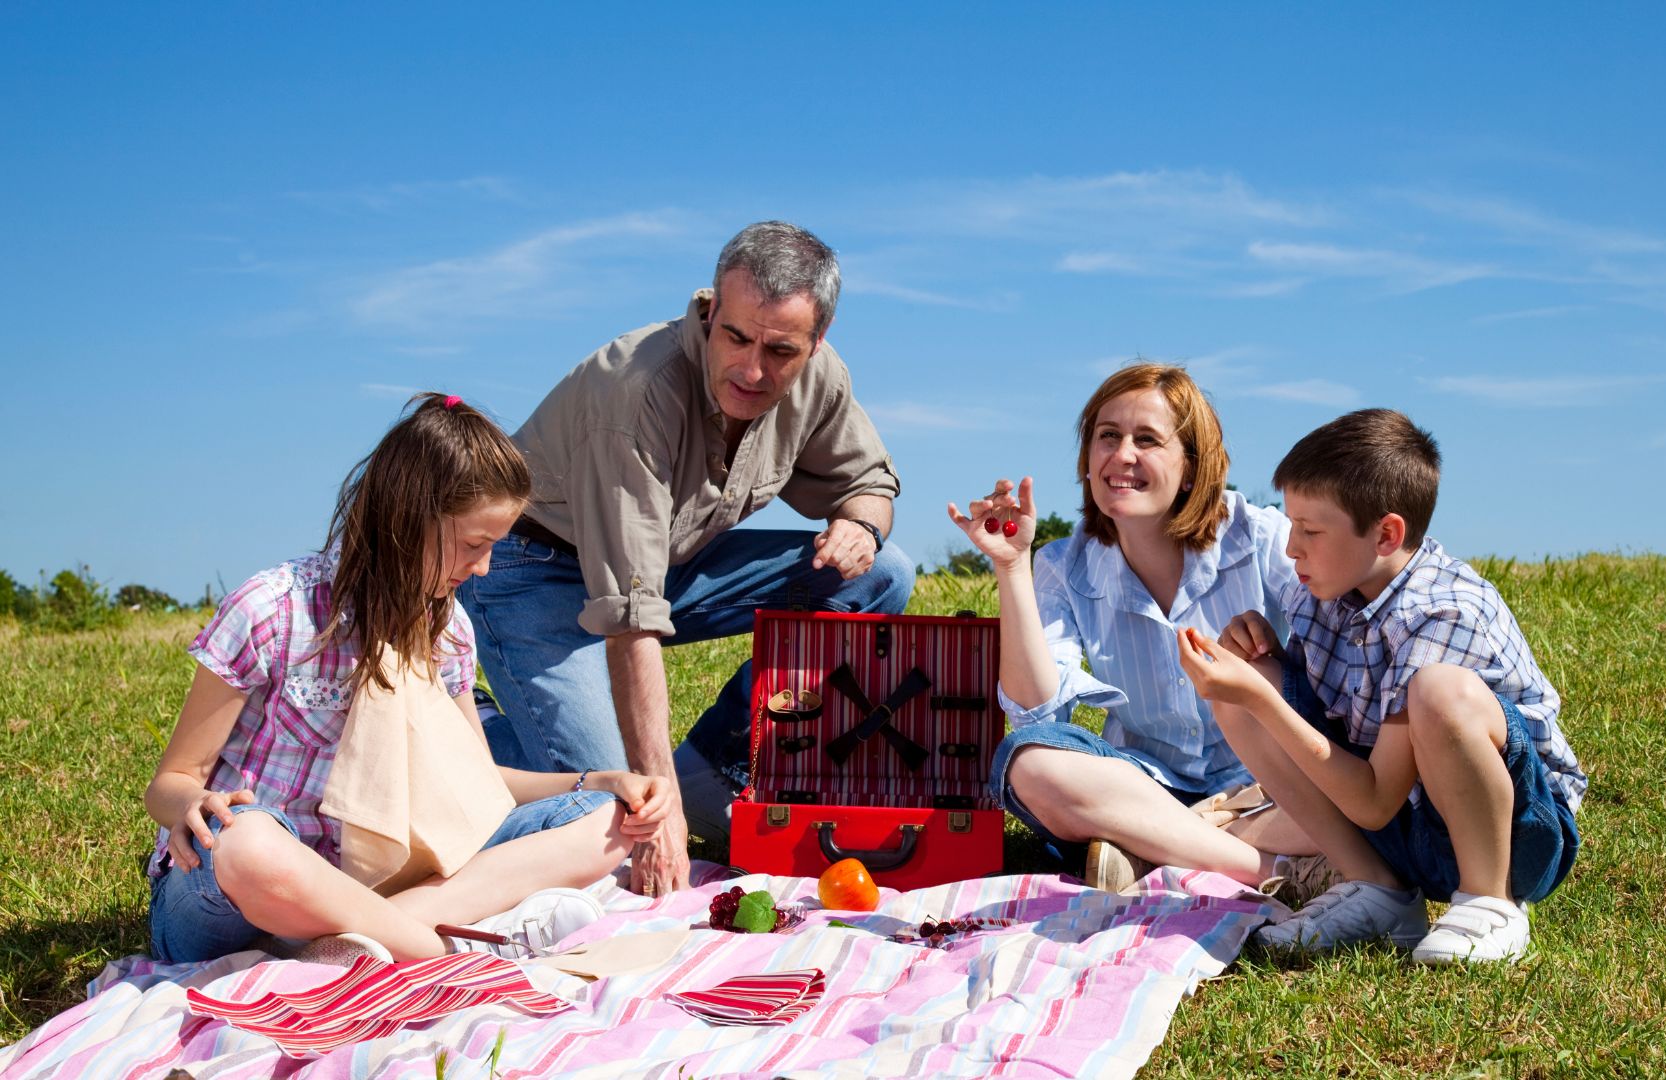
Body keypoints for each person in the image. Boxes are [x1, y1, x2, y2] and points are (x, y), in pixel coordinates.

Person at [459, 221, 914, 896]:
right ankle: (470, 734)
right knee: (611, 817)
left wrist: (859, 525)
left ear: (816, 343)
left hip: (670, 564)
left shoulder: (821, 378)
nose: (752, 369)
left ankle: (710, 770)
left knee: (884, 574)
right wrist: (657, 808)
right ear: (709, 314)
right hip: (535, 571)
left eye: (780, 350)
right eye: (735, 337)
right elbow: (631, 620)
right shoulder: (636, 393)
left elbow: (871, 483)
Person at [144, 394, 671, 965]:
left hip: (386, 881)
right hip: (233, 896)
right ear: (406, 519)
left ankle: (347, 944)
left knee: (609, 821)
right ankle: (432, 945)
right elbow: (170, 781)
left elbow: (479, 786)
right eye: (475, 544)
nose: (485, 567)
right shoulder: (272, 611)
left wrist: (600, 780)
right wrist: (195, 804)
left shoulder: (447, 631)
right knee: (246, 841)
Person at [1175, 408, 1585, 964]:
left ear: (1386, 534)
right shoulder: (1319, 594)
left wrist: (1262, 699)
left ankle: (1490, 903)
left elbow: (1372, 801)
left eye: (1311, 530)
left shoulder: (1444, 613)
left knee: (1440, 692)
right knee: (1242, 683)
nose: (1292, 547)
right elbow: (1330, 749)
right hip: (1400, 824)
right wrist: (1259, 667)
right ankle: (1376, 890)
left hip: (1515, 833)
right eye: (1289, 523)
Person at [947, 363, 1327, 896]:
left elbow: (1339, 642)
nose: (1121, 455)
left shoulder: (1260, 536)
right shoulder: (1063, 563)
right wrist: (1012, 567)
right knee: (1027, 762)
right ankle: (1267, 870)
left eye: (1146, 439)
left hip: (1271, 786)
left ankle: (1153, 852)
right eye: (1107, 437)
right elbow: (1038, 708)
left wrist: (1274, 659)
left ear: (1192, 466)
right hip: (1146, 785)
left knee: (1345, 785)